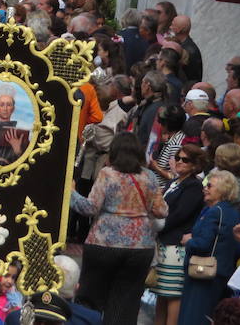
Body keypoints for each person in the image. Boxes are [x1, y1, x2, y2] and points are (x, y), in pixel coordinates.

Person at [71, 132, 168, 325]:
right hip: (140, 247)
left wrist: (72, 193)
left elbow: (90, 207)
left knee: (91, 298)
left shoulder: (108, 174)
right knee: (125, 303)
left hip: (103, 243)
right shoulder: (149, 176)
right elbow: (161, 211)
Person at [178, 169, 240, 325]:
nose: (205, 188)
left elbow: (202, 244)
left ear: (222, 190)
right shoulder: (232, 212)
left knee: (193, 319)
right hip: (219, 275)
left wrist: (188, 241)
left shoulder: (215, 212)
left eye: (210, 186)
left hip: (203, 275)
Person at [154, 144, 207, 325]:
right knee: (161, 294)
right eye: (178, 158)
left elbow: (179, 215)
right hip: (163, 243)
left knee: (173, 295)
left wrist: (157, 225)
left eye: (185, 160)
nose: (179, 162)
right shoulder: (173, 182)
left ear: (195, 165)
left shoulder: (194, 186)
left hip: (175, 247)